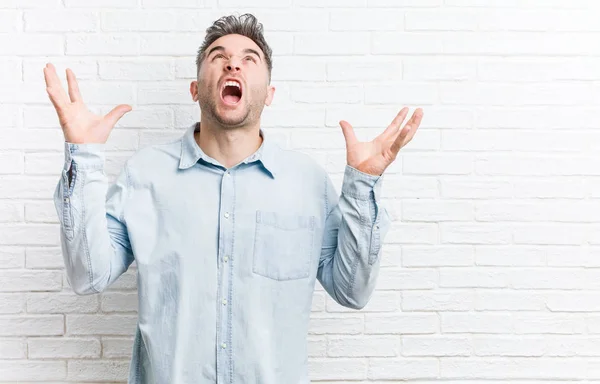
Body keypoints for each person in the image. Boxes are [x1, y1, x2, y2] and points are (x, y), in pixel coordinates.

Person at [46, 13, 423, 384]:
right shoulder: (144, 175)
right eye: (218, 56)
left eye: (249, 59)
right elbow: (86, 276)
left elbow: (352, 291)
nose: (233, 65)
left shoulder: (307, 183)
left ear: (269, 94)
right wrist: (83, 155)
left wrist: (363, 184)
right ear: (195, 89)